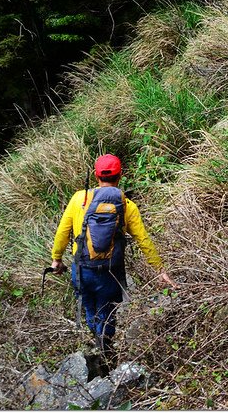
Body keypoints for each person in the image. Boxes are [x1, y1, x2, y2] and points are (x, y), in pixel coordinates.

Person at [50, 153, 176, 356]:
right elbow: (144, 240)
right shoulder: (127, 206)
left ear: (96, 175)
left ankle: (99, 343)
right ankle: (106, 350)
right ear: (120, 175)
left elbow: (62, 233)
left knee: (90, 309)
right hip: (110, 272)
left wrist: (56, 259)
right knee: (107, 313)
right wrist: (159, 269)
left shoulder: (79, 200)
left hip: (82, 269)